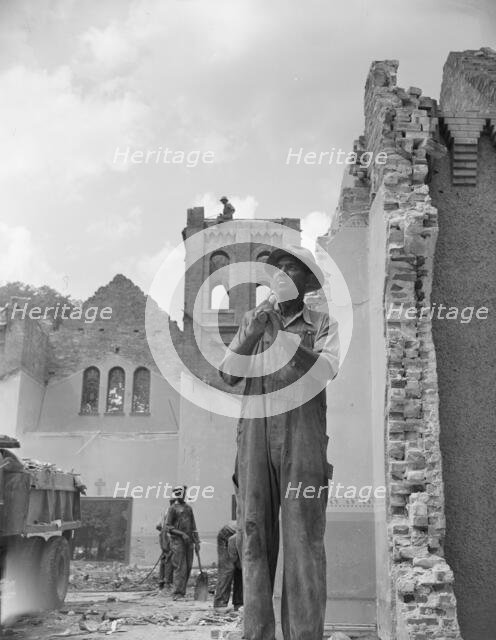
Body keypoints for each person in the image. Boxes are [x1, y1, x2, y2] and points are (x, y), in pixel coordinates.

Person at [219, 245, 340, 640]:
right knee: (253, 535)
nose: (280, 275)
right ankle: (256, 634)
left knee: (304, 540)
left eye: (290, 268)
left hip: (302, 433)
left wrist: (287, 345)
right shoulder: (255, 321)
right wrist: (254, 332)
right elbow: (228, 376)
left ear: (306, 282)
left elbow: (325, 371)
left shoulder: (323, 322)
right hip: (255, 431)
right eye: (275, 270)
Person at [165, 485, 201, 599]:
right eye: (179, 492)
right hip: (177, 541)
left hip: (189, 541)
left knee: (189, 566)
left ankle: (182, 591)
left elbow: (193, 526)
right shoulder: (172, 509)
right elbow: (168, 527)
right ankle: (177, 593)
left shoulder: (188, 508)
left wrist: (197, 541)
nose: (182, 494)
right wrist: (182, 534)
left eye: (183, 492)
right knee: (180, 566)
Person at [213, 521, 243, 609]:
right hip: (227, 535)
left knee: (243, 571)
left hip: (237, 537)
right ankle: (220, 603)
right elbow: (232, 540)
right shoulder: (250, 531)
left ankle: (239, 603)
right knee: (227, 569)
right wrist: (236, 560)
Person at [156, 499, 174, 589]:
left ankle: (161, 582)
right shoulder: (174, 512)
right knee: (170, 559)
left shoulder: (165, 511)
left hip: (163, 535)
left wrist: (163, 532)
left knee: (164, 558)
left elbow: (158, 526)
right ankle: (168, 583)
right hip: (169, 536)